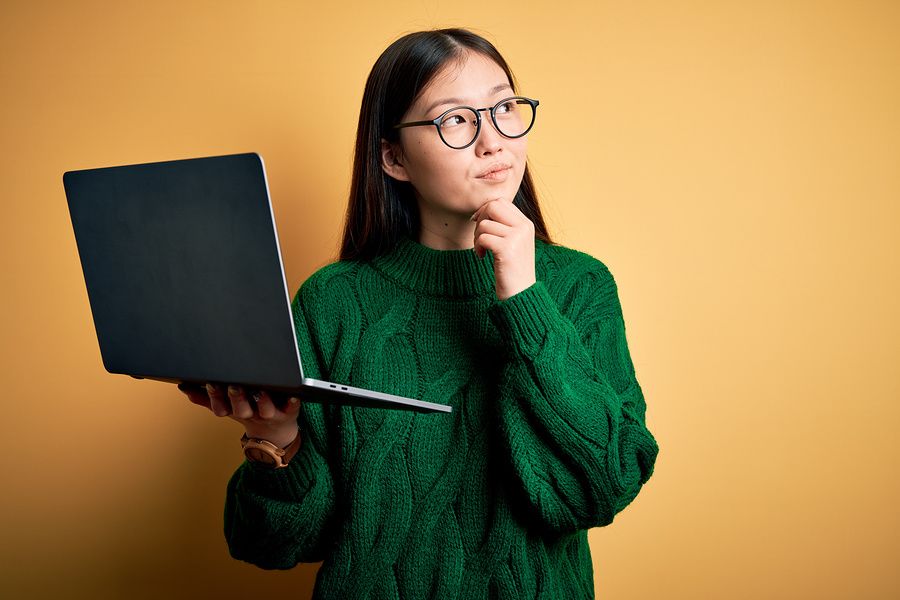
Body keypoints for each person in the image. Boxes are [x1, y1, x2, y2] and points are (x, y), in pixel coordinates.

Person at [180, 27, 659, 599]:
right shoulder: (333, 302)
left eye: (504, 107)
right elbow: (272, 545)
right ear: (394, 157)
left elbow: (603, 488)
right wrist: (276, 439)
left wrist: (525, 300)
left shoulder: (579, 287)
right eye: (455, 119)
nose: (493, 140)